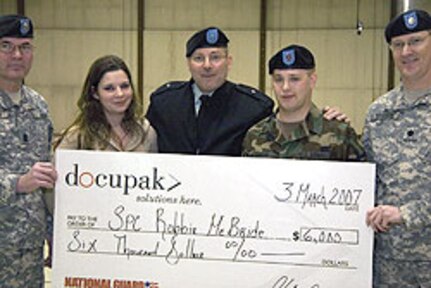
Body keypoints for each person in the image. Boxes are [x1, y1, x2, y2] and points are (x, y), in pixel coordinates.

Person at [146, 27, 348, 156]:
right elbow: (142, 142)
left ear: (229, 62)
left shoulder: (253, 108)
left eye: (215, 57)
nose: (207, 65)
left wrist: (324, 120)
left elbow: (289, 124)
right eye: (199, 58)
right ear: (188, 63)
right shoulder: (164, 103)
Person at [364, 9, 431, 287]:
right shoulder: (379, 112)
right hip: (387, 268)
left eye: (416, 41)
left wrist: (407, 213)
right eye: (398, 44)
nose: (407, 52)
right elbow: (367, 180)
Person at [0, 15, 57, 287]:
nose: (16, 55)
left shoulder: (38, 106)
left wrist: (51, 231)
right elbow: (29, 181)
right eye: (6, 46)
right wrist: (18, 183)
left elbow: (45, 178)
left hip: (30, 255)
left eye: (25, 46)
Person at [242, 44, 365, 161]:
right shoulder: (256, 135)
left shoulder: (339, 133)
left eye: (294, 79)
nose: (285, 87)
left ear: (312, 80)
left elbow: (359, 180)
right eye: (278, 79)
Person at [55, 55, 157, 152]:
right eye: (109, 88)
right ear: (95, 93)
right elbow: (57, 167)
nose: (120, 94)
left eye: (124, 86)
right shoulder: (77, 136)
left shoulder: (147, 133)